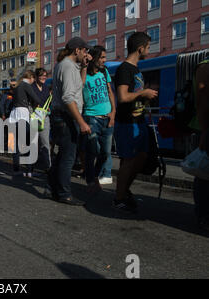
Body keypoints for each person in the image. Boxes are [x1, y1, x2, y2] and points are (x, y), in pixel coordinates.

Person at [113, 32, 158, 213]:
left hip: (138, 121)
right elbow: (123, 97)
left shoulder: (137, 70)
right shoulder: (125, 69)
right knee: (128, 161)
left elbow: (134, 96)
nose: (149, 50)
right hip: (127, 123)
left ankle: (124, 191)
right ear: (140, 48)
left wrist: (146, 98)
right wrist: (143, 93)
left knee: (141, 158)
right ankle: (118, 198)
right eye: (148, 47)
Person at [48, 37, 93, 206]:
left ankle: (54, 187)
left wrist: (84, 67)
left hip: (63, 116)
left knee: (63, 155)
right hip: (65, 116)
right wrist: (81, 122)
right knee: (68, 157)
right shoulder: (67, 66)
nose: (87, 54)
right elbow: (68, 97)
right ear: (77, 50)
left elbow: (79, 85)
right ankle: (64, 193)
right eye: (85, 51)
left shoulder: (70, 66)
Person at [80, 45, 117, 193]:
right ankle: (91, 180)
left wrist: (113, 112)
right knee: (92, 151)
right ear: (94, 58)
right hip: (91, 117)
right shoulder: (84, 73)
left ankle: (95, 175)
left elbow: (110, 92)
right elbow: (80, 85)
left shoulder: (104, 72)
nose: (104, 60)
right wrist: (84, 64)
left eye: (105, 57)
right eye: (101, 57)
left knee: (105, 153)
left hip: (107, 118)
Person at [9, 70, 42, 177]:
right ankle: (30, 171)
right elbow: (36, 99)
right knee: (30, 143)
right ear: (31, 77)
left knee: (16, 146)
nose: (34, 82)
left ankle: (16, 170)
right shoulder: (26, 85)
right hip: (23, 116)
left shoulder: (18, 86)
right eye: (34, 79)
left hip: (13, 116)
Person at [192, 54, 209, 231]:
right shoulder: (205, 67)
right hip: (207, 127)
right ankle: (203, 215)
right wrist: (205, 130)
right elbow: (202, 99)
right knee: (205, 173)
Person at [32, 68, 52, 171]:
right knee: (35, 141)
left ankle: (48, 166)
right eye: (41, 75)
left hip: (45, 117)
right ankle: (33, 164)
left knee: (45, 141)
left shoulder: (46, 87)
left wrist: (48, 107)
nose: (44, 77)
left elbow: (48, 100)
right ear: (36, 77)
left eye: (45, 75)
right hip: (34, 117)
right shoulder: (31, 87)